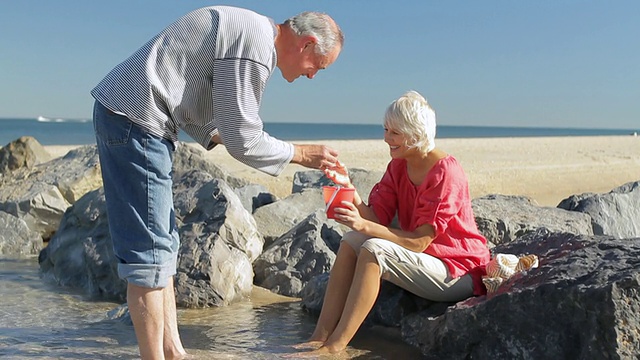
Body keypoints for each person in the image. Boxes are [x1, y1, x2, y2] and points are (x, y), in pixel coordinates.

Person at [91, 5, 344, 359]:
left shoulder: (251, 34)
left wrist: (288, 151)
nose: (314, 75)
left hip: (136, 117)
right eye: (319, 65)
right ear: (306, 43)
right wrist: (302, 153)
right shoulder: (256, 46)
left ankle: (174, 352)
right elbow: (243, 139)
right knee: (148, 259)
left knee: (162, 249)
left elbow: (221, 123)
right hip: (135, 120)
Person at [291, 91, 491, 356]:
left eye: (394, 132)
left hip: (457, 270)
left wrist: (365, 227)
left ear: (414, 133)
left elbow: (418, 242)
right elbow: (375, 218)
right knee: (351, 240)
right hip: (424, 258)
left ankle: (336, 347)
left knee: (375, 249)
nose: (386, 138)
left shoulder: (446, 172)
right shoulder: (398, 165)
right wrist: (348, 187)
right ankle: (319, 337)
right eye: (386, 130)